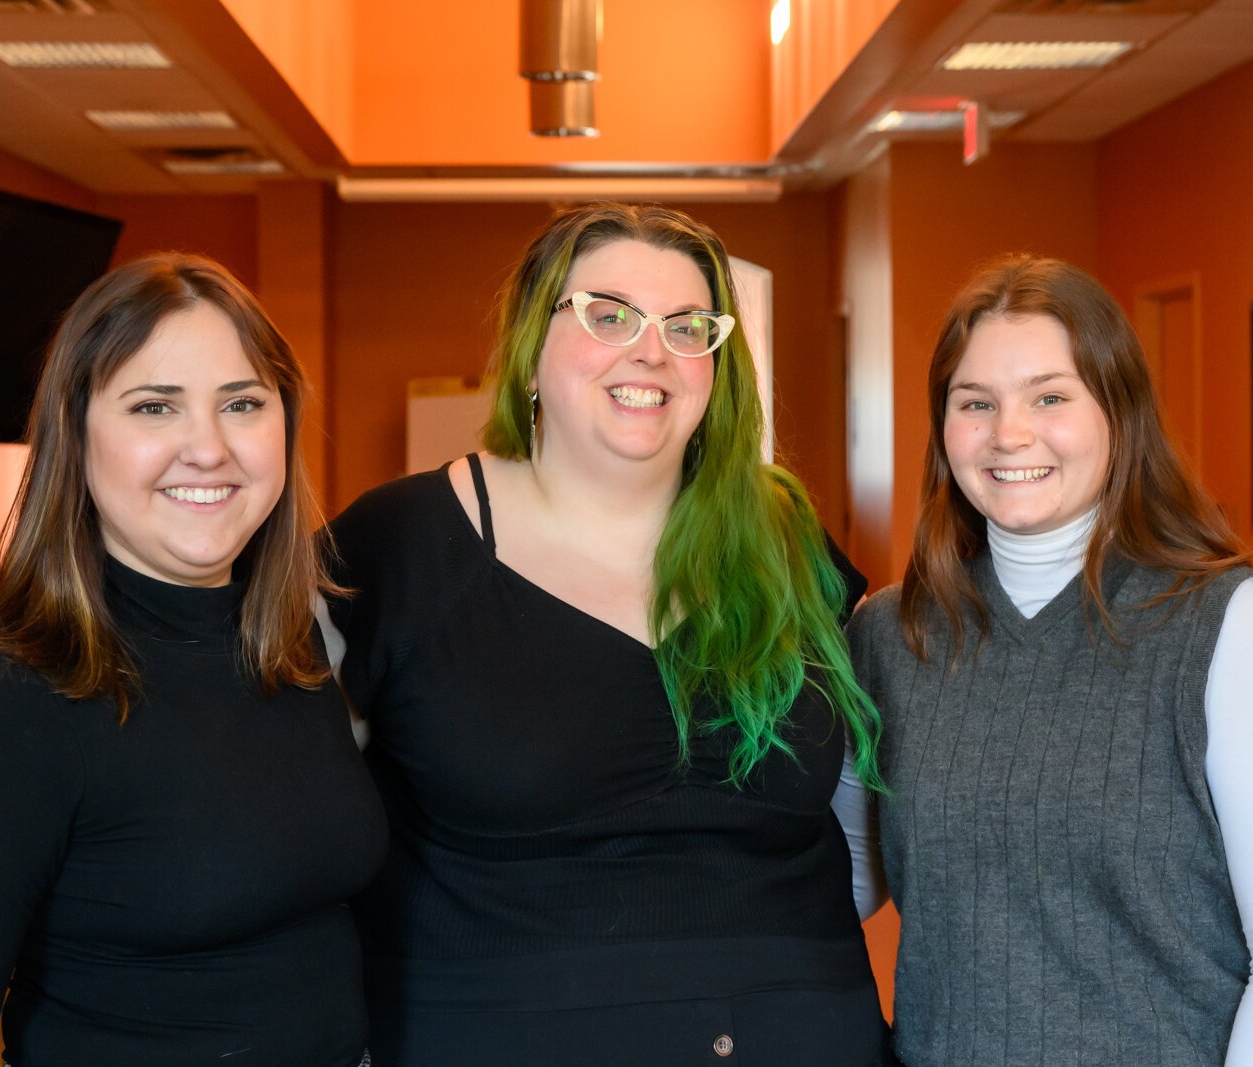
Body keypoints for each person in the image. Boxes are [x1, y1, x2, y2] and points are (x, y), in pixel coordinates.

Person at [324, 202, 890, 1064]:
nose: (651, 351)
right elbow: (295, 833)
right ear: (531, 348)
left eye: (688, 326)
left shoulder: (784, 542)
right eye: (609, 314)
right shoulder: (400, 547)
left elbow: (859, 840)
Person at [0, 253, 387, 1066]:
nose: (209, 448)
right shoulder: (11, 703)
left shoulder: (295, 650)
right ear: (76, 437)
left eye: (243, 404)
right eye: (155, 407)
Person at [847, 254, 1253, 1066]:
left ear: (1118, 411)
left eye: (1051, 396)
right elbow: (837, 883)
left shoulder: (1226, 628)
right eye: (976, 402)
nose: (1009, 433)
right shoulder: (890, 635)